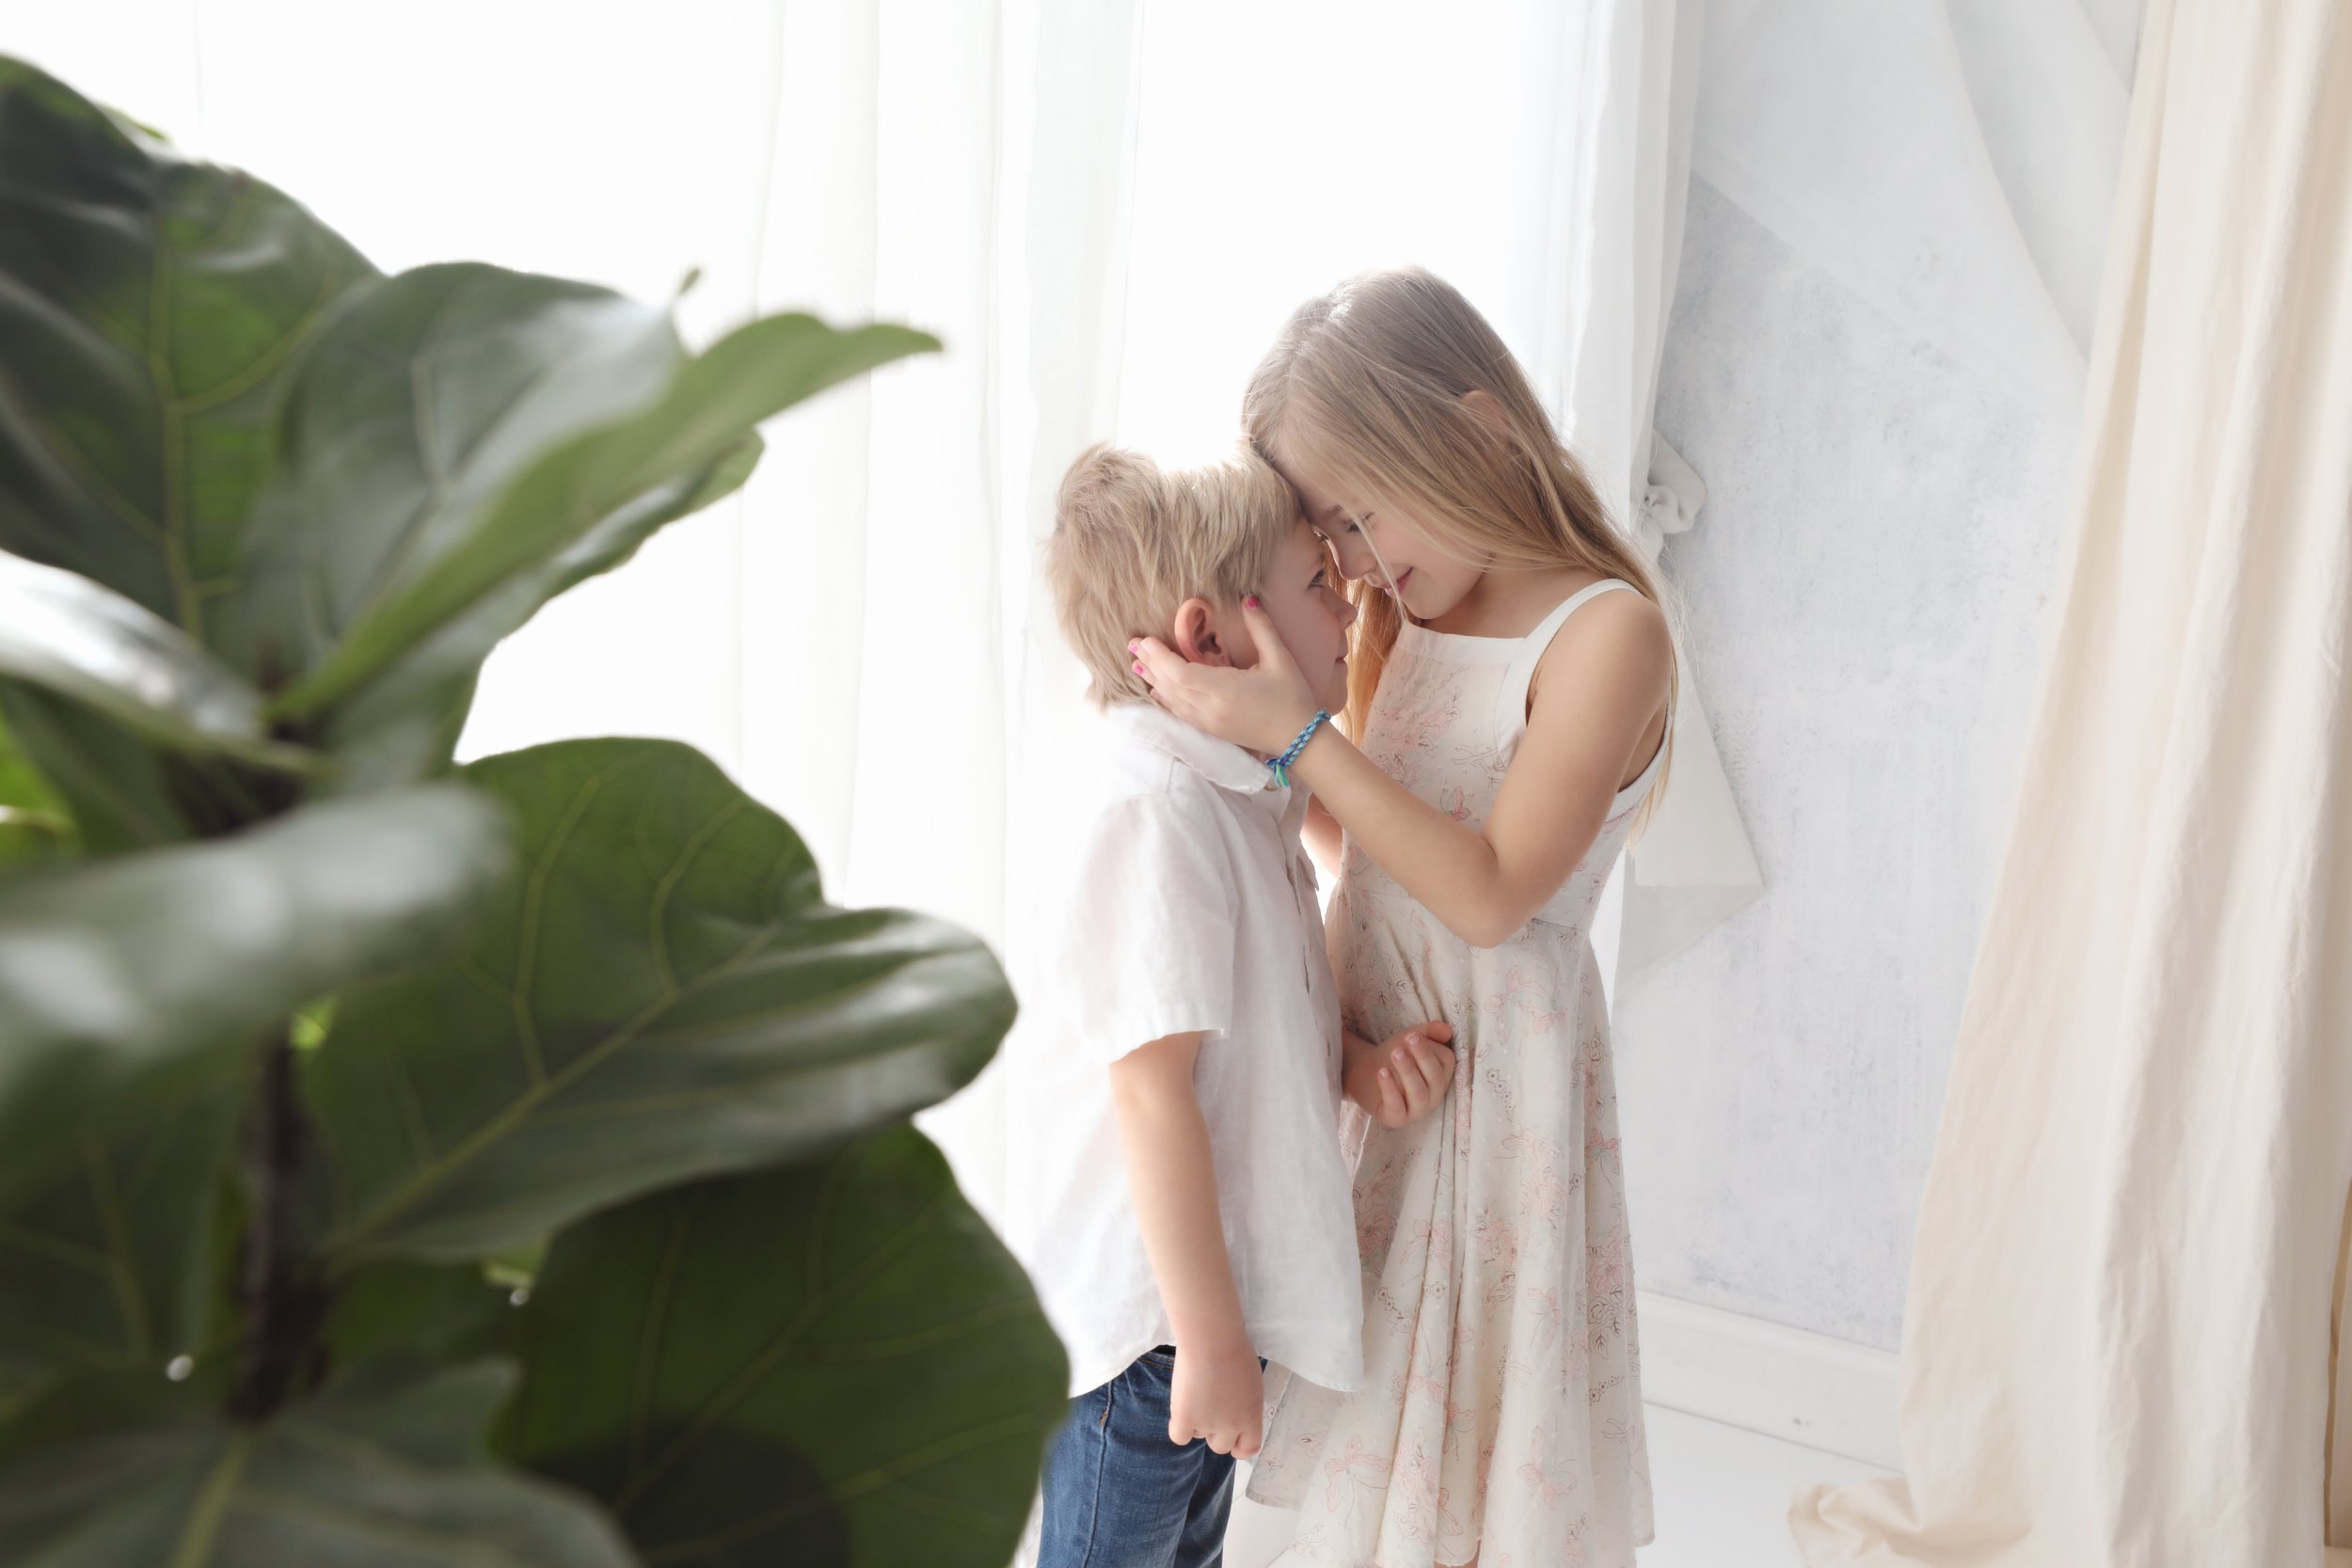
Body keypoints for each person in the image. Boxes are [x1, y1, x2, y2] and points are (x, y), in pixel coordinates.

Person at [1133, 268, 1676, 1568]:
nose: (1361, 565)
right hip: (1400, 1072)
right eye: (1334, 543)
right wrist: (1256, 741)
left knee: (1479, 1417)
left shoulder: (1606, 634)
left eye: (1364, 517)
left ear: (1477, 431)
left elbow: (1488, 889)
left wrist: (1300, 736)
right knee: (1379, 1399)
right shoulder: (1407, 616)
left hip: (1505, 1094)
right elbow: (1378, 838)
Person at [1013, 441, 1457, 1568]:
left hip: (1211, 1310)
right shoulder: (1156, 804)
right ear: (1210, 637)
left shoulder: (1238, 789)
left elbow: (1249, 1016)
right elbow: (1150, 1091)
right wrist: (1206, 1341)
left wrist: (1352, 1061)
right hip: (1158, 1327)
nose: (1350, 599)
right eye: (1318, 584)